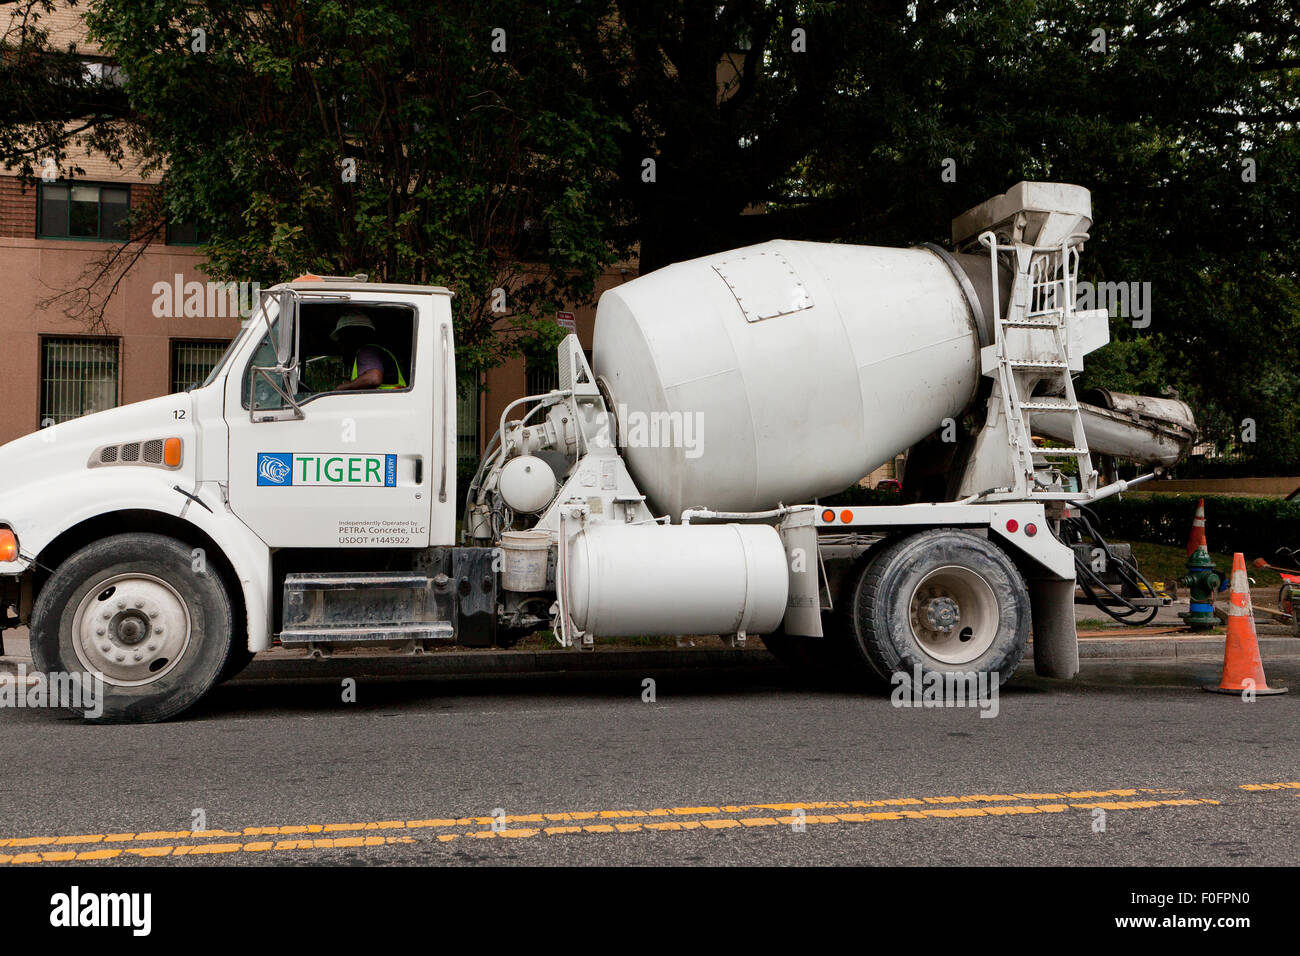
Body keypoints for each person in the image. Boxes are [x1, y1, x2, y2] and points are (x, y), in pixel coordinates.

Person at [331, 312, 407, 390]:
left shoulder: (367, 352)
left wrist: (341, 388)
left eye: (341, 339)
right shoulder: (377, 352)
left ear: (349, 336)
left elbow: (374, 378)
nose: (341, 346)